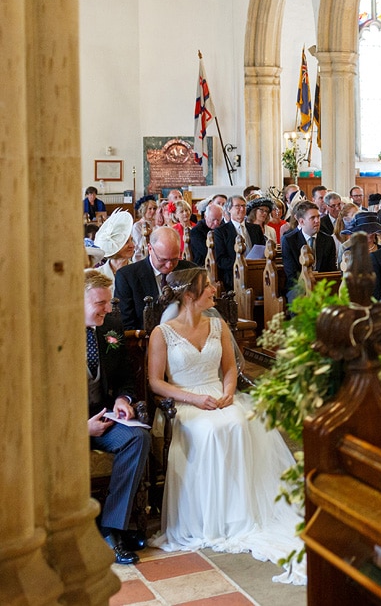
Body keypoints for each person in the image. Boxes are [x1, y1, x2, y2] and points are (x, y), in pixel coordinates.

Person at [147, 268, 304, 583]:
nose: (214, 290)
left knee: (239, 421)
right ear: (190, 295)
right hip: (184, 402)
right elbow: (155, 382)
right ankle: (213, 518)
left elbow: (230, 369)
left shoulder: (217, 325)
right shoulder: (162, 333)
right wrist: (192, 400)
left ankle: (241, 511)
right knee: (211, 429)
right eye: (207, 287)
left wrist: (229, 393)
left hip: (218, 394)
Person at [84, 270, 150, 565]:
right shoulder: (51, 335)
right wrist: (82, 428)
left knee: (138, 437)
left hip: (106, 418)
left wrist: (124, 399)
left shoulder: (110, 326)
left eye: (109, 302)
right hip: (63, 429)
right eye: (101, 303)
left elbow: (124, 375)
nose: (108, 309)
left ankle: (113, 527)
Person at [114, 226, 197, 330]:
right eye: (163, 259)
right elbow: (126, 323)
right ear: (150, 249)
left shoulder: (190, 270)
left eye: (175, 259)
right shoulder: (128, 276)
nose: (169, 265)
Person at [281, 200, 338, 301]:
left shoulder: (327, 239)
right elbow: (292, 274)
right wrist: (309, 284)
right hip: (298, 286)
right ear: (301, 221)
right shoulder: (289, 240)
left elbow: (331, 269)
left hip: (322, 284)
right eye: (312, 218)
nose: (317, 221)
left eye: (318, 217)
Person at [214, 196, 264, 290]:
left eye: (244, 206)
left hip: (256, 272)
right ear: (229, 209)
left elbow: (262, 249)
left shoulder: (255, 229)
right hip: (233, 274)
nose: (241, 209)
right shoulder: (221, 231)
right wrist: (242, 264)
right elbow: (221, 260)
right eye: (237, 206)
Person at [92, 211, 136, 283]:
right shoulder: (97, 275)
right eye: (126, 242)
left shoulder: (138, 272)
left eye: (132, 240)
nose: (132, 245)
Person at [188, 202, 223, 267]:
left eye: (218, 220)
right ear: (205, 216)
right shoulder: (197, 231)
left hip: (220, 263)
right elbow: (207, 252)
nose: (216, 223)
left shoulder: (222, 227)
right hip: (203, 266)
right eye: (213, 220)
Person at [130, 196, 157, 262]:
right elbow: (141, 244)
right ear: (144, 210)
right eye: (150, 209)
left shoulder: (157, 223)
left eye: (154, 208)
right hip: (141, 257)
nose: (152, 211)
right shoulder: (137, 226)